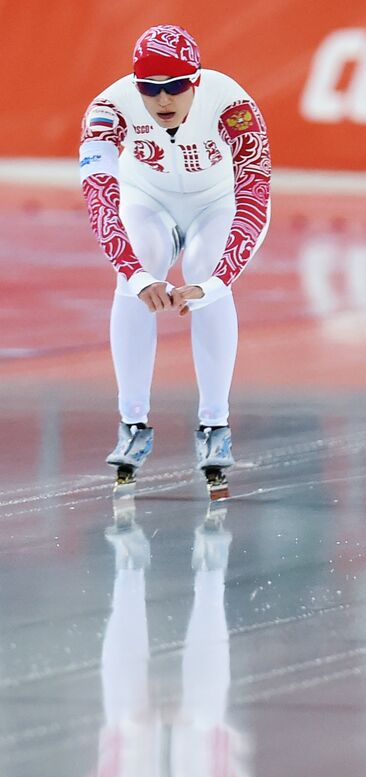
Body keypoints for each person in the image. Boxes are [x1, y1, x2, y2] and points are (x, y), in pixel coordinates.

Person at [79, 24, 271, 491]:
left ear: (196, 81)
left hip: (216, 201)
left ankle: (215, 425)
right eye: (150, 89)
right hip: (147, 197)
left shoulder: (232, 105)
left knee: (203, 271)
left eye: (175, 87)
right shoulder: (108, 109)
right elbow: (101, 198)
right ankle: (132, 422)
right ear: (135, 85)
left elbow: (254, 194)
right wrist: (136, 274)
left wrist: (218, 283)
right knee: (138, 264)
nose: (163, 100)